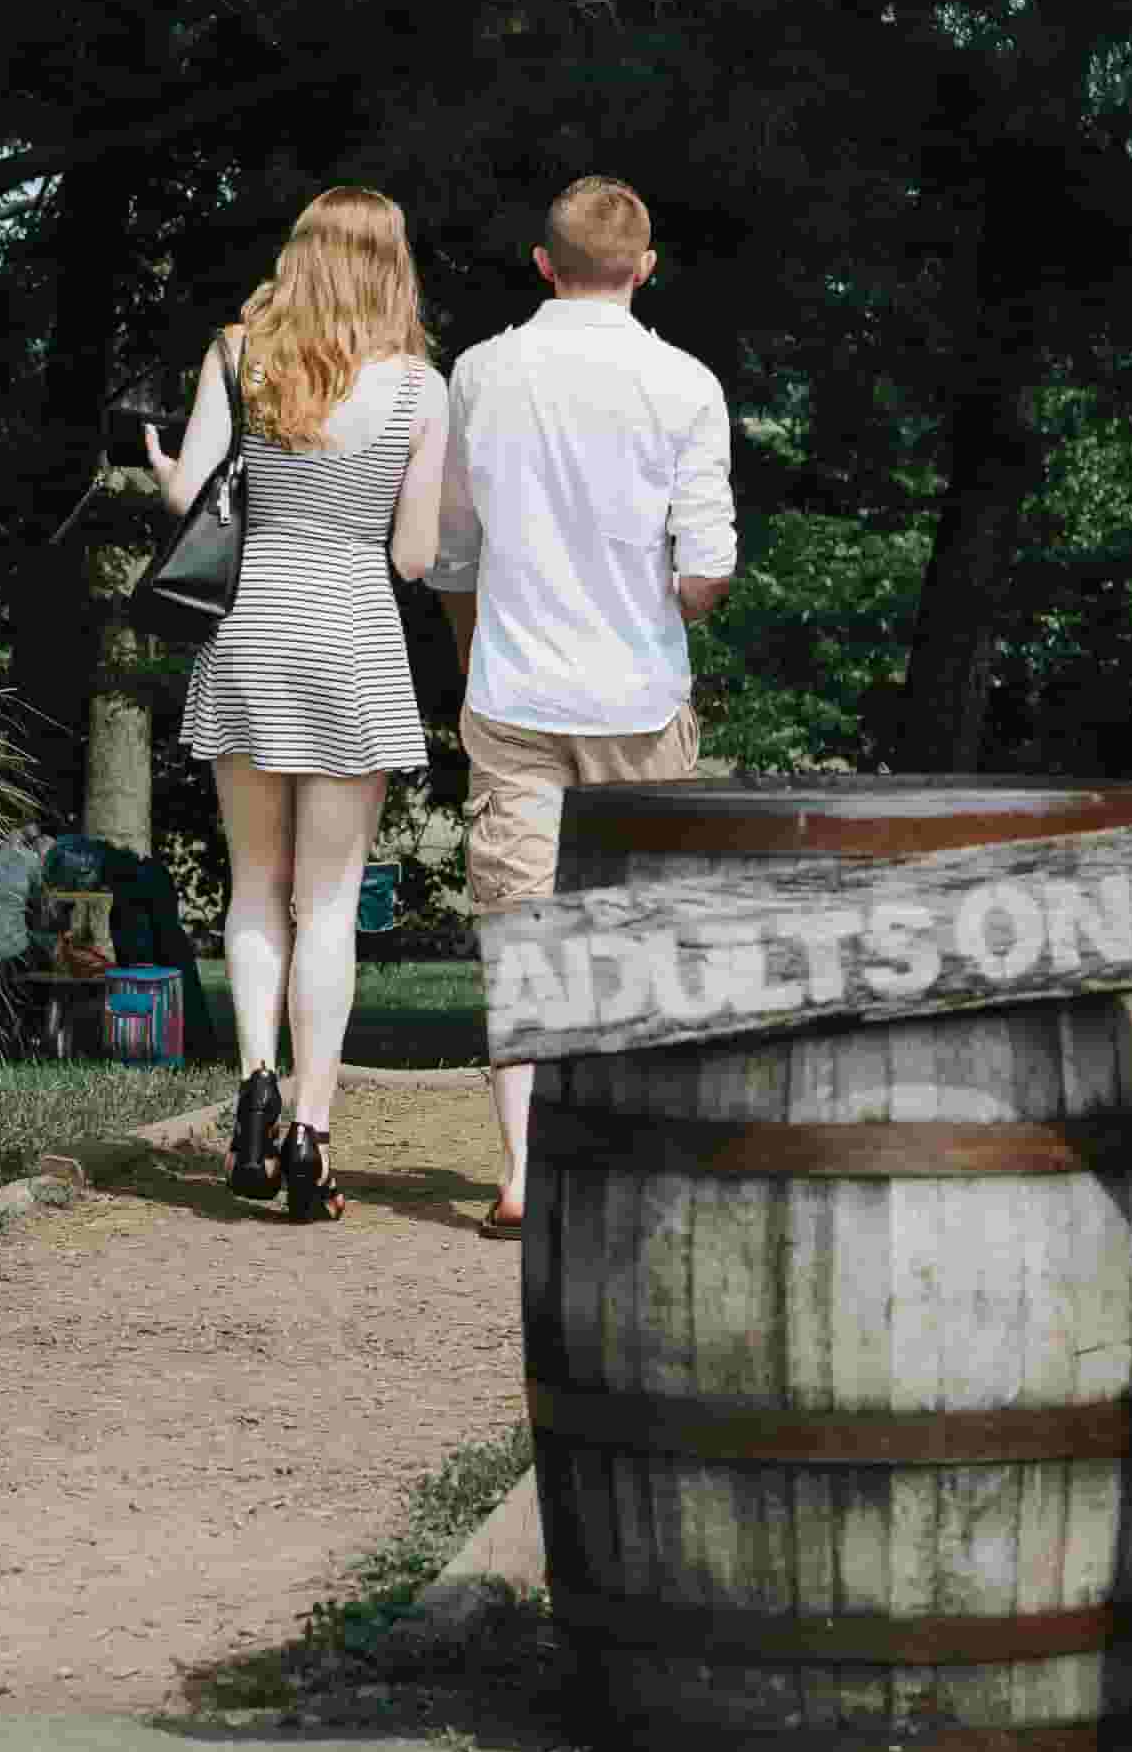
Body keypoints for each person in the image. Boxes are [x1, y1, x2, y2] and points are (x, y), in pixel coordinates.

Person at [428, 176, 736, 1239]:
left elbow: (452, 550)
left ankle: (523, 1169)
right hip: (640, 694)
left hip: (514, 688)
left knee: (519, 928)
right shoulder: (686, 382)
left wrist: (474, 653)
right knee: (644, 933)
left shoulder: (479, 372)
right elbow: (705, 573)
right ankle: (637, 1154)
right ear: (646, 268)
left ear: (542, 261)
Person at [144, 186, 449, 1224]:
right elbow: (413, 555)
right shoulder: (420, 388)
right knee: (329, 902)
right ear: (390, 266)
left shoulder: (237, 353)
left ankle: (255, 1083)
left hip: (251, 630)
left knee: (251, 888)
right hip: (352, 634)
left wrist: (161, 473)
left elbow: (193, 495)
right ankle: (312, 1131)